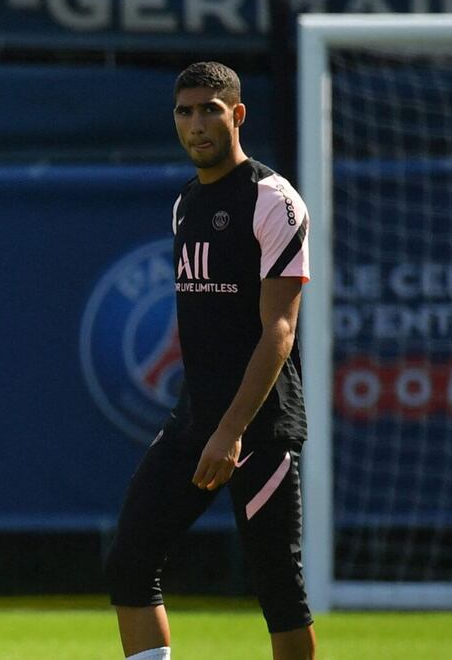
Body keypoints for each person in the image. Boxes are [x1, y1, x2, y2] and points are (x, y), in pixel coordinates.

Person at [105, 62, 317, 660]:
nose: (196, 124)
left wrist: (232, 431)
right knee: (130, 560)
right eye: (184, 111)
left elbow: (279, 328)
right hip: (196, 418)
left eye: (210, 110)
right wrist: (209, 423)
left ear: (237, 114)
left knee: (278, 586)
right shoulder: (186, 203)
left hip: (258, 425)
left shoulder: (273, 200)